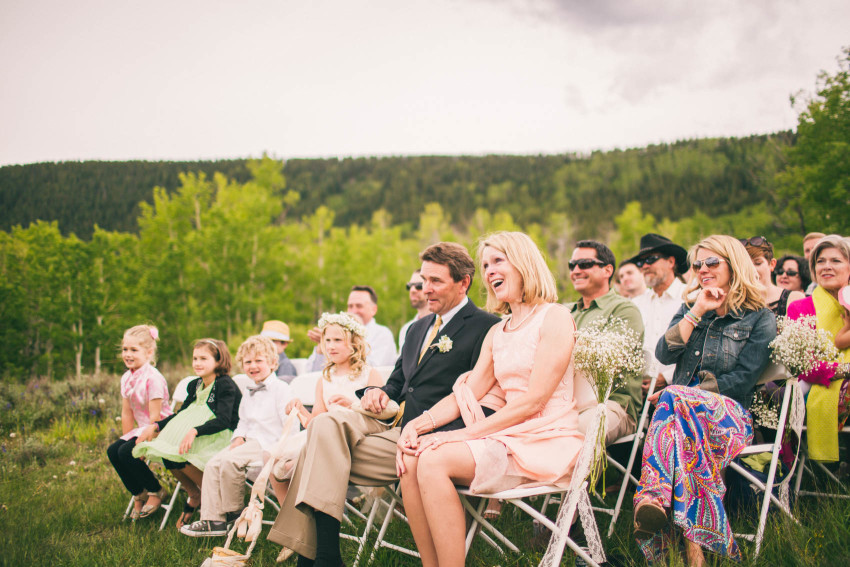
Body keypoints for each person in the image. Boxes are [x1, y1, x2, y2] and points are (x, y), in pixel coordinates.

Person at [267, 242, 500, 566]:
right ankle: (327, 556)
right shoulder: (417, 328)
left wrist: (433, 431)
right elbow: (398, 382)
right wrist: (378, 392)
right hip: (396, 429)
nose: (425, 289)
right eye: (422, 280)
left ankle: (317, 557)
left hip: (440, 438)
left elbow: (478, 394)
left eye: (435, 281)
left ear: (463, 283)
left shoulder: (485, 326)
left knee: (318, 451)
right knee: (324, 426)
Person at [396, 231, 583, 567]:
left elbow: (533, 401)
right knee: (411, 459)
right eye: (485, 265)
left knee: (434, 458)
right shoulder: (499, 330)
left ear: (523, 263)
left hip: (545, 437)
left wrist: (455, 435)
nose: (489, 271)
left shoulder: (553, 317)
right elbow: (468, 393)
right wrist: (417, 426)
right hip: (507, 435)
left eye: (498, 261)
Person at [633, 235, 776, 566]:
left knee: (673, 402)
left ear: (734, 264)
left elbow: (742, 382)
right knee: (682, 437)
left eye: (712, 263)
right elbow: (664, 352)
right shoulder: (691, 308)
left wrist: (685, 395)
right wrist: (697, 310)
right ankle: (697, 556)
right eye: (697, 264)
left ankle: (654, 498)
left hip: (729, 417)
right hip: (681, 419)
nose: (703, 269)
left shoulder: (758, 317)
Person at [180, 335, 293, 537]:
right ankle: (212, 519)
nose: (253, 366)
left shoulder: (281, 389)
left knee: (230, 462)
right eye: (248, 362)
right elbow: (243, 421)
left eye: (259, 361)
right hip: (248, 442)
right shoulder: (249, 390)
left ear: (273, 362)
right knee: (214, 463)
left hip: (269, 444)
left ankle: (233, 512)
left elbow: (290, 425)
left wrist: (280, 450)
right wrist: (238, 437)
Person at [271, 312, 386, 504]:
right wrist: (299, 409)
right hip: (322, 434)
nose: (331, 345)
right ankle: (289, 515)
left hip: (352, 438)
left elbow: (380, 416)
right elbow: (314, 422)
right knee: (274, 460)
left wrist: (353, 405)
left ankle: (316, 508)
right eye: (327, 340)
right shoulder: (324, 379)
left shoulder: (369, 375)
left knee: (298, 463)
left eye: (338, 340)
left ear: (355, 343)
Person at [133, 339, 241, 529]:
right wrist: (157, 426)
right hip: (195, 433)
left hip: (218, 435)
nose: (197, 363)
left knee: (182, 454)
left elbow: (224, 420)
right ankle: (195, 494)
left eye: (204, 358)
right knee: (169, 454)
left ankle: (215, 500)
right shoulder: (195, 384)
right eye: (195, 358)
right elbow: (182, 413)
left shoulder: (225, 385)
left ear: (218, 360)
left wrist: (195, 431)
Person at [566, 240, 644, 443]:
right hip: (565, 405)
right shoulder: (565, 312)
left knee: (571, 434)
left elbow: (610, 361)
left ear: (607, 270)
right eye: (571, 265)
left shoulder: (624, 310)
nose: (575, 270)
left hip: (611, 405)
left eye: (584, 264)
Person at [787, 235, 850, 462]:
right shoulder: (800, 308)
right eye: (820, 261)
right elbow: (805, 366)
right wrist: (845, 370)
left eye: (836, 260)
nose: (826, 266)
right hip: (816, 388)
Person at [107, 324, 174, 520]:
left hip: (160, 427)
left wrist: (142, 444)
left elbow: (155, 417)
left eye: (134, 350)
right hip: (141, 428)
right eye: (125, 349)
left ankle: (156, 491)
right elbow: (127, 413)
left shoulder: (153, 378)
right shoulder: (127, 378)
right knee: (115, 451)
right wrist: (127, 437)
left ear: (149, 352)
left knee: (127, 452)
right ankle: (139, 492)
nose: (128, 354)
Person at [627, 234, 689, 396]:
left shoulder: (690, 297)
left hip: (680, 390)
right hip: (639, 392)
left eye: (651, 259)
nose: (644, 266)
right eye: (640, 262)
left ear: (671, 262)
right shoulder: (635, 304)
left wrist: (666, 377)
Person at [305, 285, 397, 371]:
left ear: (374, 309)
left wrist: (349, 345)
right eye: (350, 306)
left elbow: (375, 368)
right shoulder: (334, 333)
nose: (354, 310)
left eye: (359, 306)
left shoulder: (383, 334)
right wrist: (322, 345)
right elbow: (311, 373)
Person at [741, 237, 804, 317]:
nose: (752, 270)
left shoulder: (793, 299)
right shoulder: (734, 302)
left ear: (772, 264)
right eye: (746, 264)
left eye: (758, 263)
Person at [398, 270, 429, 349]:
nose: (412, 290)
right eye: (409, 286)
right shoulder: (406, 329)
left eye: (419, 286)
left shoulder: (441, 324)